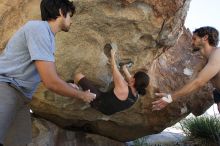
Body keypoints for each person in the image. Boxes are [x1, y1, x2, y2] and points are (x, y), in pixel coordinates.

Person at [0, 0, 96, 146]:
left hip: (21, 97)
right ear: (61, 13)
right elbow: (50, 81)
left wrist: (68, 86)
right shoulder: (38, 29)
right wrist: (82, 95)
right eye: (70, 16)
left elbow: (48, 73)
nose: (71, 21)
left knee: (19, 142)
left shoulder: (48, 36)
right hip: (6, 88)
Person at [152, 26, 220, 112]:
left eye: (194, 39)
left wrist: (170, 98)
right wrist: (170, 95)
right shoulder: (204, 62)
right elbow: (192, 84)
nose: (192, 42)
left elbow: (199, 82)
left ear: (205, 38)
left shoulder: (218, 53)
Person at [71, 48, 150, 115]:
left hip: (99, 102)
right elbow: (131, 81)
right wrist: (124, 69)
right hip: (108, 111)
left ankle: (74, 86)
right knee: (128, 82)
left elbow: (113, 67)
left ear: (134, 80)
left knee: (78, 76)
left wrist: (112, 54)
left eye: (132, 76)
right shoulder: (136, 96)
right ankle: (124, 67)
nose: (131, 76)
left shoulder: (123, 85)